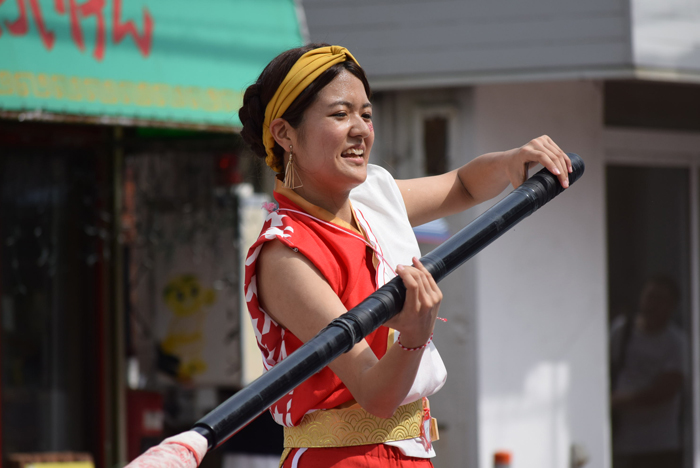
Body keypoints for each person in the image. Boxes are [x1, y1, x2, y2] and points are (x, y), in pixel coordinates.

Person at [238, 44, 572, 467]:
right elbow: (375, 393)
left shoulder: (372, 199)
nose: (360, 129)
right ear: (284, 134)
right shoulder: (285, 254)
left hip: (411, 455)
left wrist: (512, 161)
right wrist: (414, 337)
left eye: (366, 114)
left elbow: (465, 186)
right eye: (340, 114)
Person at [610, 276, 687, 468]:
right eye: (649, 296)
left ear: (672, 306)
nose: (652, 304)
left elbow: (664, 392)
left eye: (660, 299)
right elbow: (602, 369)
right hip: (622, 443)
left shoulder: (677, 342)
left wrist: (613, 401)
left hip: (659, 444)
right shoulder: (621, 330)